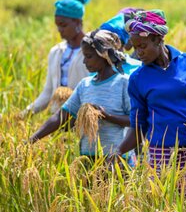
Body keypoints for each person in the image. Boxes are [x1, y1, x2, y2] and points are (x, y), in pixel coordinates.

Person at [112, 9, 186, 178]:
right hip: (160, 156)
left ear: (158, 39)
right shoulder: (138, 78)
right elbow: (138, 126)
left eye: (143, 46)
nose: (138, 53)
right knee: (162, 202)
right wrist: (119, 150)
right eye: (136, 47)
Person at [28, 30, 133, 164]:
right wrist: (32, 139)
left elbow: (135, 120)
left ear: (104, 55)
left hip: (116, 159)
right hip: (87, 158)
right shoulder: (85, 85)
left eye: (88, 56)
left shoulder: (123, 83)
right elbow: (61, 116)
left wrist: (107, 116)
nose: (84, 61)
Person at [24, 0, 92, 115]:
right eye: (58, 25)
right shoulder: (56, 52)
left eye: (63, 25)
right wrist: (24, 114)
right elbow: (48, 92)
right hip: (58, 119)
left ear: (77, 22)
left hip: (83, 117)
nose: (60, 30)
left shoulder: (92, 51)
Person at [99, 10, 142, 75]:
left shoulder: (137, 68)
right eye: (102, 43)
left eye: (110, 43)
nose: (105, 48)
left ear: (121, 44)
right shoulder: (98, 69)